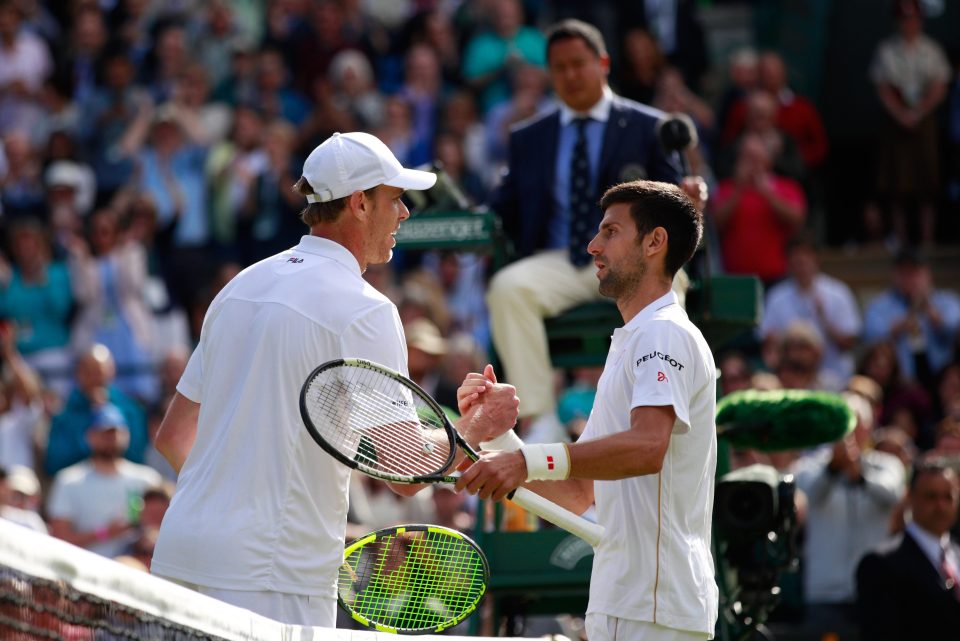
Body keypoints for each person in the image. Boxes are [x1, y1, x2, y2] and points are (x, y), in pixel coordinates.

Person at [150, 131, 517, 627]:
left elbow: (173, 438)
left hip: (179, 556)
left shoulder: (240, 285)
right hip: (271, 578)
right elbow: (408, 473)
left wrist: (236, 502)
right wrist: (476, 427)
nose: (405, 213)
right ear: (361, 204)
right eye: (395, 199)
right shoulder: (366, 310)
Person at [458, 180, 718, 640]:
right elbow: (578, 493)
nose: (592, 245)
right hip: (628, 606)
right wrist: (502, 437)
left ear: (655, 242)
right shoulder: (634, 340)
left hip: (656, 611)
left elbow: (647, 447)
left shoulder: (663, 333)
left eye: (611, 232)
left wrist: (524, 461)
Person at [488, 19, 705, 434]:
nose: (570, 75)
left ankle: (661, 399)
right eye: (559, 67)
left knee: (670, 285)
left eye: (578, 64)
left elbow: (675, 204)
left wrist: (691, 201)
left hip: (635, 258)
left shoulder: (649, 126)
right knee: (508, 288)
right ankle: (539, 418)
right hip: (562, 261)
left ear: (603, 63)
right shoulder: (529, 137)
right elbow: (505, 206)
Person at [856, 460, 960, 640]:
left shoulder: (956, 556)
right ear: (910, 498)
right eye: (931, 497)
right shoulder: (881, 563)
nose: (941, 506)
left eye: (948, 497)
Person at [46, 403, 162, 559]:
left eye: (116, 432)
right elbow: (60, 539)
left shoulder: (147, 479)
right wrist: (105, 533)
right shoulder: (69, 480)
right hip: (84, 572)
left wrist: (149, 537)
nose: (111, 438)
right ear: (90, 436)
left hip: (136, 574)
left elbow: (163, 528)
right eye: (104, 433)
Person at [759, 234, 861, 389]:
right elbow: (768, 342)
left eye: (806, 255)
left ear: (816, 259)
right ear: (789, 262)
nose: (801, 262)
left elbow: (849, 342)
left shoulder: (838, 293)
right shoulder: (776, 297)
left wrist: (824, 319)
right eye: (796, 257)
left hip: (834, 381)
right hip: (791, 382)